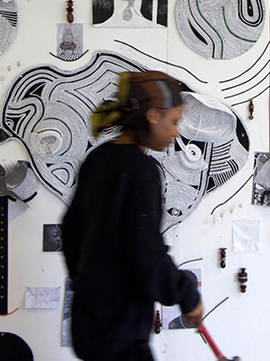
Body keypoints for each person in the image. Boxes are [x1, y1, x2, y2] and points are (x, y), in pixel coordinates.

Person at [62, 71, 204, 361]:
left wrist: (89, 282)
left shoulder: (97, 159)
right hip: (122, 336)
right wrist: (187, 296)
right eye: (173, 121)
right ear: (152, 116)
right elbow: (146, 252)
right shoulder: (141, 170)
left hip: (89, 327)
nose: (177, 132)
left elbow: (70, 230)